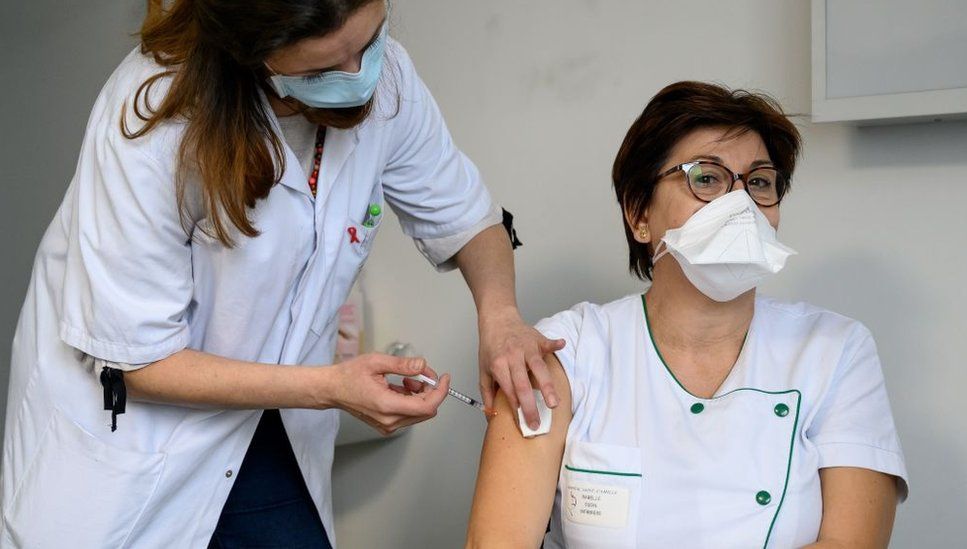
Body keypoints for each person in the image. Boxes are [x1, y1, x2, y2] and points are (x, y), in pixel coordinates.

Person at [0, 1, 563, 547]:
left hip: (272, 428)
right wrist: (330, 389)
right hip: (136, 448)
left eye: (369, 42)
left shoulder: (386, 78)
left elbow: (464, 215)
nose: (358, 75)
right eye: (321, 68)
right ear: (251, 53)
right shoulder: (153, 120)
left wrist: (501, 315)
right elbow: (141, 360)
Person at [466, 81, 908, 548]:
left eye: (758, 182)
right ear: (639, 214)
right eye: (707, 177)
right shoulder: (565, 351)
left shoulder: (834, 350)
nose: (740, 205)